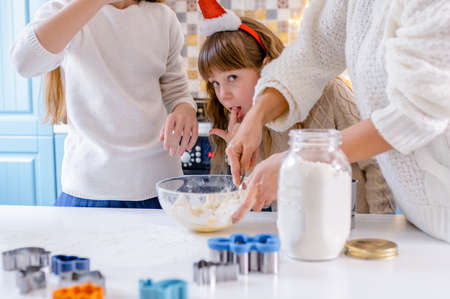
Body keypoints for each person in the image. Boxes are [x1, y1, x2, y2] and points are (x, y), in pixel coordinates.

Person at [224, 0, 450, 242]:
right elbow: (311, 55)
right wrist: (256, 117)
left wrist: (301, 160)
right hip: (418, 222)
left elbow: (416, 112)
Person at [196, 10, 394, 213]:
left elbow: (378, 164)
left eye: (232, 78)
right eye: (215, 83)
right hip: (297, 233)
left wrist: (380, 222)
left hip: (355, 229)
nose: (223, 95)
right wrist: (240, 157)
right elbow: (260, 194)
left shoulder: (331, 93)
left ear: (266, 67)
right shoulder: (246, 123)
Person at [10, 0, 198, 208]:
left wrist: (184, 108)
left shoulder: (163, 17)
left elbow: (176, 88)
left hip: (160, 185)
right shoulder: (64, 9)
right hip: (90, 189)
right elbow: (24, 63)